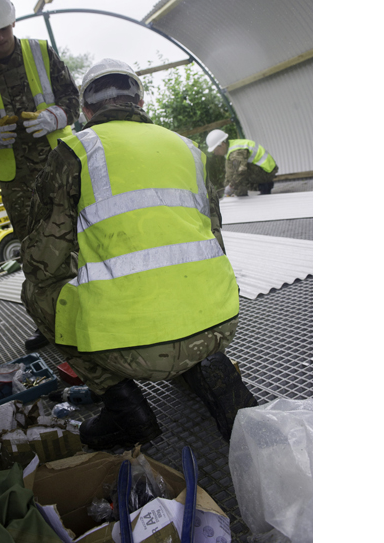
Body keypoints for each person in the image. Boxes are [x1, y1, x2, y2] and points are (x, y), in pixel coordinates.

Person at [20, 59, 258, 450]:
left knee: (36, 291)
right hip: (219, 328)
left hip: (133, 351)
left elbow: (43, 262)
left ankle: (123, 408)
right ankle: (210, 370)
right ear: (141, 100)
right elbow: (213, 240)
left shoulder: (76, 150)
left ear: (86, 110)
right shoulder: (190, 150)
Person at [0, 0, 81, 352]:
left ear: (13, 20)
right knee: (35, 253)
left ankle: (98, 310)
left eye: (4, 28)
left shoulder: (42, 52)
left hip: (61, 167)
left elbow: (73, 98)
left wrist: (57, 114)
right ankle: (50, 327)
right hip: (18, 181)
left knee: (82, 239)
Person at [205, 129, 279, 196]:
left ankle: (258, 189)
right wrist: (227, 188)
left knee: (239, 175)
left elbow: (240, 171)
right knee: (235, 176)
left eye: (215, 150)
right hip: (263, 170)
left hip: (266, 172)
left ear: (222, 144)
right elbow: (229, 173)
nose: (215, 153)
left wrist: (231, 187)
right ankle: (263, 187)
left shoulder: (236, 152)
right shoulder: (231, 149)